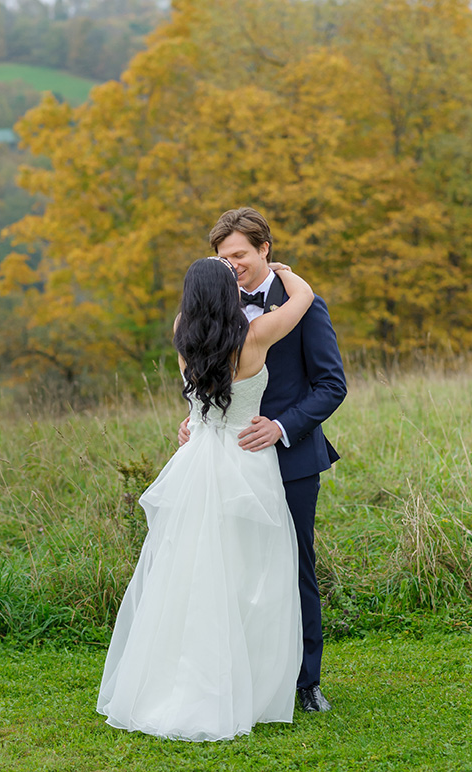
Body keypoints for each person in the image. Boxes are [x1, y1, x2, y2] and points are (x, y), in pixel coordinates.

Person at [97, 255, 316, 741]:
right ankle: (249, 687)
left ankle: (184, 678)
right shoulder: (255, 336)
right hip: (245, 463)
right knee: (251, 574)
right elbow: (304, 299)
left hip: (197, 462)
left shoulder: (182, 335)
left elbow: (199, 405)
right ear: (228, 294)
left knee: (190, 571)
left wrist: (194, 423)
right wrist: (282, 271)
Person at [179, 208, 347, 713]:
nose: (232, 266)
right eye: (223, 257)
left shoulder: (303, 308)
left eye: (240, 255)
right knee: (232, 570)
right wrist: (194, 418)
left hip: (289, 460)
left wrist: (280, 428)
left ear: (264, 249)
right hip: (223, 458)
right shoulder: (209, 315)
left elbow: (331, 386)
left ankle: (304, 683)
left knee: (294, 571)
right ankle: (245, 674)